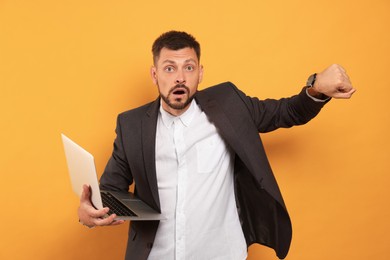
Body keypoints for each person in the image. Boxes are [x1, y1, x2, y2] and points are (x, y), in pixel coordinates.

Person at [78, 31, 355, 260]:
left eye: (188, 67)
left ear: (200, 73)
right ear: (154, 74)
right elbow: (111, 189)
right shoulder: (131, 124)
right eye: (169, 68)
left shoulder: (229, 104)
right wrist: (89, 212)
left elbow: (286, 112)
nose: (179, 78)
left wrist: (316, 86)